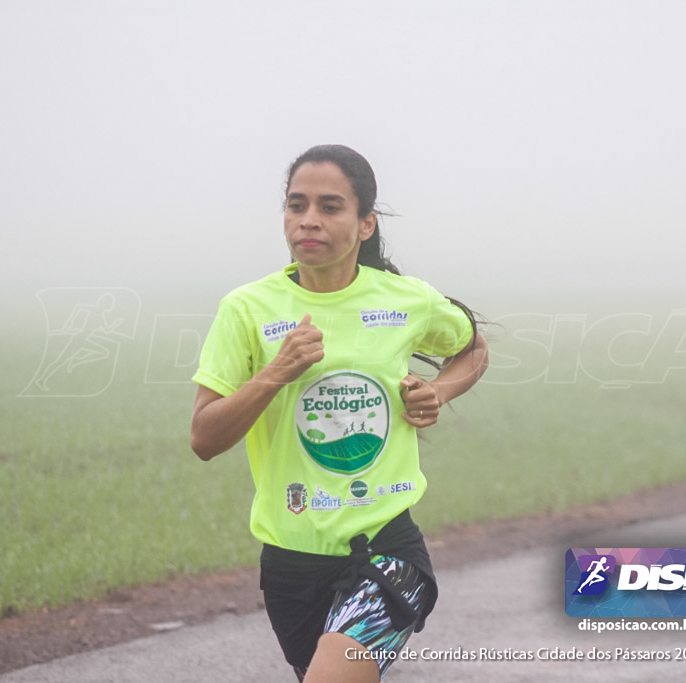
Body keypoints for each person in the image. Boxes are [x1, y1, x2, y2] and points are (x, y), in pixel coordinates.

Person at [190, 144, 489, 683]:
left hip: (385, 554)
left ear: (366, 222)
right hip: (289, 563)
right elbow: (204, 438)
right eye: (296, 204)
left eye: (330, 207)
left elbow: (472, 349)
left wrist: (439, 393)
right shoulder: (246, 309)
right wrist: (275, 372)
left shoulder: (406, 301)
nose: (309, 220)